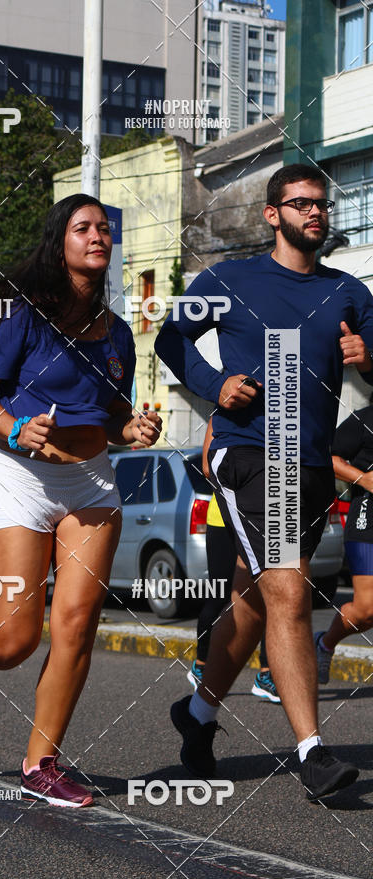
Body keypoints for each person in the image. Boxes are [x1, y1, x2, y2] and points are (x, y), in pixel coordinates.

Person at [0, 194, 161, 808]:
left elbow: (107, 420)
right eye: (83, 228)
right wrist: (16, 428)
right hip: (20, 481)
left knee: (76, 627)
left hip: (93, 484)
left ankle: (41, 763)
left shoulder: (119, 336)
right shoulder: (23, 317)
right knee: (15, 637)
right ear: (61, 245)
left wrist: (131, 431)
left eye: (104, 229)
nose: (97, 237)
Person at [155, 163, 373, 801]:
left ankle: (196, 715)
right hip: (250, 452)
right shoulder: (230, 279)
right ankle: (313, 751)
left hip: (308, 465)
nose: (316, 213)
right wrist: (212, 382)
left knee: (252, 606)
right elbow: (173, 338)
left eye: (322, 205)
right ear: (272, 214)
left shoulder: (349, 292)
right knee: (289, 588)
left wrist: (369, 357)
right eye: (301, 204)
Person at [188, 419, 280, 703]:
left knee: (272, 596)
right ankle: (201, 664)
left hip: (272, 512)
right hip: (224, 517)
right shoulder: (224, 411)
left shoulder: (283, 409)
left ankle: (267, 674)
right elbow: (207, 467)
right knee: (219, 595)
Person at [315, 396, 373, 682]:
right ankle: (324, 644)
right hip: (367, 521)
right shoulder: (364, 420)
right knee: (366, 609)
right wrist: (364, 479)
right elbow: (327, 456)